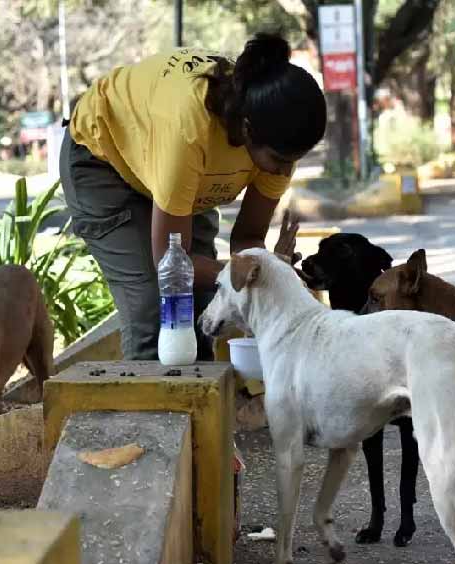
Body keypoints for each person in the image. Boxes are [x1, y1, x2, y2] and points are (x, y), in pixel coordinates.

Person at [59, 33, 325, 361]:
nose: (285, 171)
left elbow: (248, 237)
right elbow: (170, 263)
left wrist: (259, 272)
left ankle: (199, 411)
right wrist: (253, 274)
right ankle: (152, 411)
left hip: (179, 176)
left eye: (292, 160)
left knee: (202, 312)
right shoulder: (189, 128)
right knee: (156, 311)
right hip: (104, 160)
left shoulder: (277, 137)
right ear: (247, 129)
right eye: (280, 160)